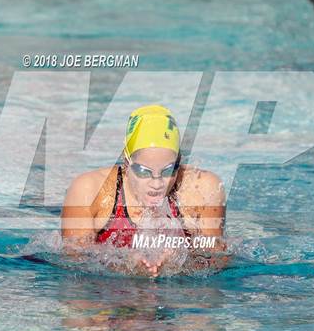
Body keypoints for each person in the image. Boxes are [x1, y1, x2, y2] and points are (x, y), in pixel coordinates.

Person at [61, 104, 228, 276]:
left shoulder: (202, 188)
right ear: (126, 163)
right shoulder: (90, 190)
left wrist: (179, 262)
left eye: (168, 170)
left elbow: (217, 256)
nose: (156, 184)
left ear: (179, 161)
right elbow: (73, 259)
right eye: (143, 171)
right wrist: (125, 265)